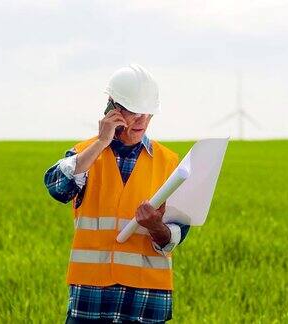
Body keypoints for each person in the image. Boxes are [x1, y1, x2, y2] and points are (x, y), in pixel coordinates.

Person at [44, 64, 190, 323]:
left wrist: (156, 226)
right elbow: (58, 188)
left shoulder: (170, 164)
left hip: (146, 299)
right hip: (91, 295)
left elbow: (176, 237)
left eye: (148, 113)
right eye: (134, 112)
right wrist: (101, 142)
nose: (142, 121)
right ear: (112, 108)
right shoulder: (85, 153)